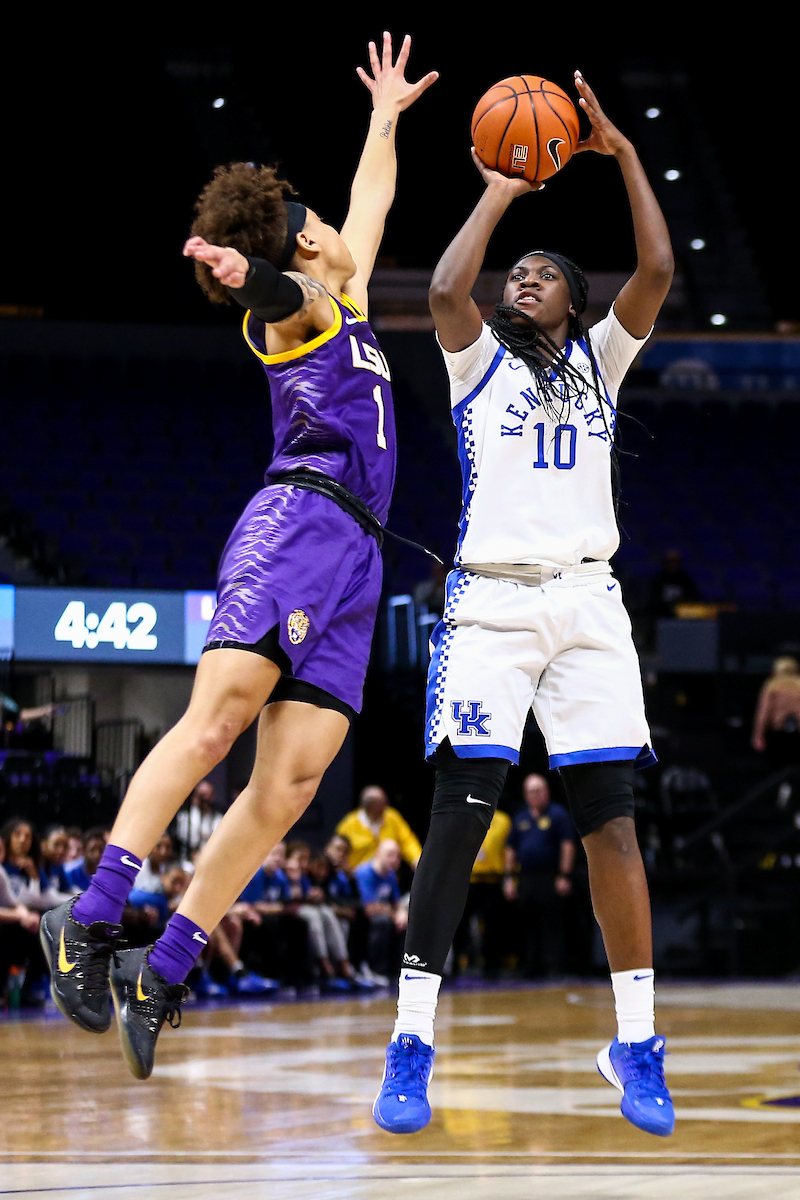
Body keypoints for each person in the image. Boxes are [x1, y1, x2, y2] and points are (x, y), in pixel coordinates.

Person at [40, 33, 437, 1081]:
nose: (336, 226)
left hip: (355, 561)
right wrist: (243, 270)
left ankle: (162, 968)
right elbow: (279, 297)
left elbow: (372, 200)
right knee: (214, 724)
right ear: (302, 242)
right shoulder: (299, 309)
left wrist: (384, 117)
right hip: (295, 526)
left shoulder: (349, 294)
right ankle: (88, 916)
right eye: (316, 223)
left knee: (292, 783)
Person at [373, 71, 675, 1139]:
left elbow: (656, 268)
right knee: (458, 820)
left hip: (588, 603)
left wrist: (621, 153)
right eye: (519, 273)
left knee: (611, 826)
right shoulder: (476, 366)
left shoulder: (602, 362)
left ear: (575, 304)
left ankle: (635, 1042)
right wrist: (501, 189)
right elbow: (442, 290)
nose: (525, 279)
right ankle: (411, 1039)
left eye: (545, 273)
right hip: (491, 608)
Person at [504, 774, 575, 978]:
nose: (534, 795)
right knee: (528, 922)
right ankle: (530, 966)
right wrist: (509, 877)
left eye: (538, 791)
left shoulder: (558, 815)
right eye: (530, 791)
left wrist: (564, 875)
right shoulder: (521, 817)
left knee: (551, 923)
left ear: (546, 791)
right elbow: (511, 848)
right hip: (526, 877)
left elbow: (567, 845)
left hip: (550, 876)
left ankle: (554, 967)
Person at [336, 785, 422, 869]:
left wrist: (416, 859)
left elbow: (407, 840)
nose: (386, 805)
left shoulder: (392, 817)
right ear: (369, 807)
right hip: (357, 874)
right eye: (381, 803)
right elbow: (338, 850)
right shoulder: (349, 824)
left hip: (387, 875)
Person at [752, 656, 800, 768]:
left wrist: (758, 735)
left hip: (778, 731)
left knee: (778, 765)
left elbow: (764, 712)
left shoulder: (772, 686)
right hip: (798, 731)